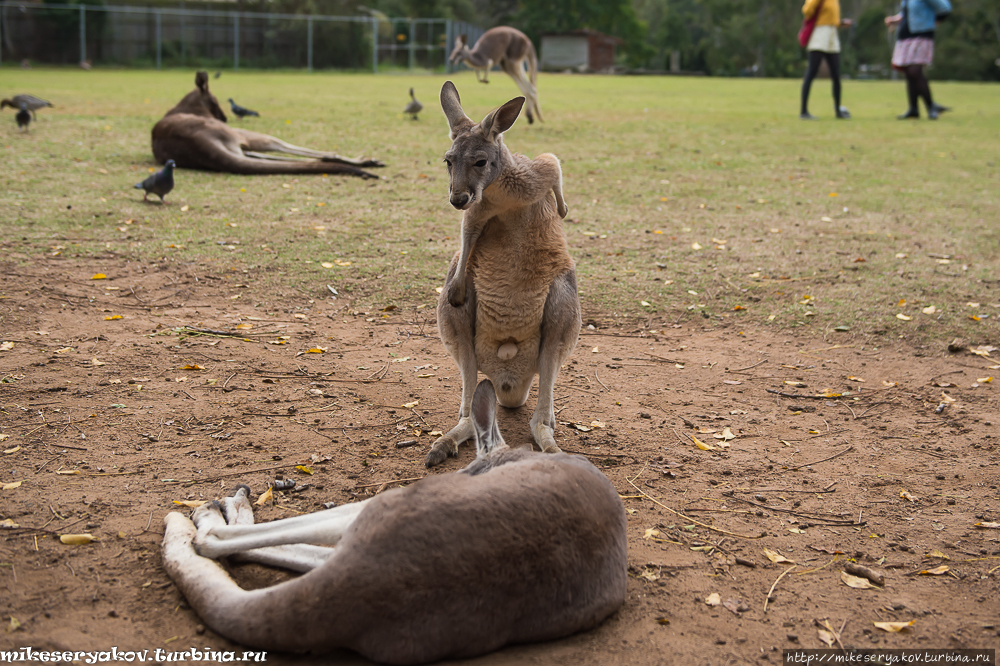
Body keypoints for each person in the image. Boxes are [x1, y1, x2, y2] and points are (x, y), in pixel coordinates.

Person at [885, 0, 952, 119]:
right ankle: (913, 109)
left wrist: (933, 21)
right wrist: (895, 20)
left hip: (922, 35)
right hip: (905, 35)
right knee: (908, 73)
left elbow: (945, 8)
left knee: (915, 71)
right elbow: (907, 13)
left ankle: (931, 106)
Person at [800, 0, 854, 119]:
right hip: (820, 33)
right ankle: (803, 111)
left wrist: (840, 23)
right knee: (812, 72)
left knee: (836, 74)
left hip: (832, 34)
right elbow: (807, 10)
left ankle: (838, 110)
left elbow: (830, 16)